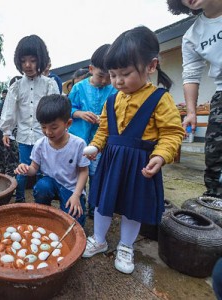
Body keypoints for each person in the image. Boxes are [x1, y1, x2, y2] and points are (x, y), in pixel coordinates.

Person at [82, 26, 185, 275]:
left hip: (141, 164)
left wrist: (161, 155)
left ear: (151, 66)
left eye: (125, 74)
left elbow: (172, 132)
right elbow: (105, 129)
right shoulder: (112, 99)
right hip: (112, 160)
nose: (117, 81)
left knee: (132, 207)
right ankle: (99, 238)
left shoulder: (160, 98)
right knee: (102, 203)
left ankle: (126, 246)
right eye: (113, 74)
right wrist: (96, 145)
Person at [167, 0, 222, 198]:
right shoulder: (192, 35)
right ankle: (215, 207)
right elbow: (191, 75)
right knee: (215, 158)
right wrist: (191, 112)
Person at [0, 34, 59, 203]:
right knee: (23, 168)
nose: (28, 65)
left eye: (33, 60)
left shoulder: (49, 84)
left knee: (43, 170)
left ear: (41, 60)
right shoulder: (16, 86)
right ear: (19, 62)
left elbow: (55, 110)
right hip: (25, 136)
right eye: (24, 60)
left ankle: (42, 201)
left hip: (45, 136)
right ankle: (19, 199)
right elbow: (9, 109)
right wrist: (6, 130)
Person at [15, 94, 89, 226]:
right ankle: (43, 215)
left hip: (71, 187)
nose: (48, 132)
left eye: (54, 127)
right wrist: (25, 169)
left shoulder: (78, 144)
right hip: (50, 184)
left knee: (75, 223)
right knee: (42, 186)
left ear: (68, 123)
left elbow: (83, 171)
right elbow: (33, 169)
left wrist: (77, 195)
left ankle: (72, 205)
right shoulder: (40, 144)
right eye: (43, 127)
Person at [68, 44, 117, 218]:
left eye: (109, 76)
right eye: (101, 76)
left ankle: (93, 207)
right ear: (91, 69)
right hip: (79, 139)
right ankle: (76, 201)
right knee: (77, 173)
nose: (105, 81)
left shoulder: (114, 89)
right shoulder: (79, 88)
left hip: (100, 143)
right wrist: (79, 113)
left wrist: (104, 118)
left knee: (97, 176)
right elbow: (68, 109)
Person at [0, 76, 21, 177]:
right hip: (6, 138)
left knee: (8, 165)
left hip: (5, 137)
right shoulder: (9, 101)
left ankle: (8, 184)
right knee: (10, 165)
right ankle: (9, 186)